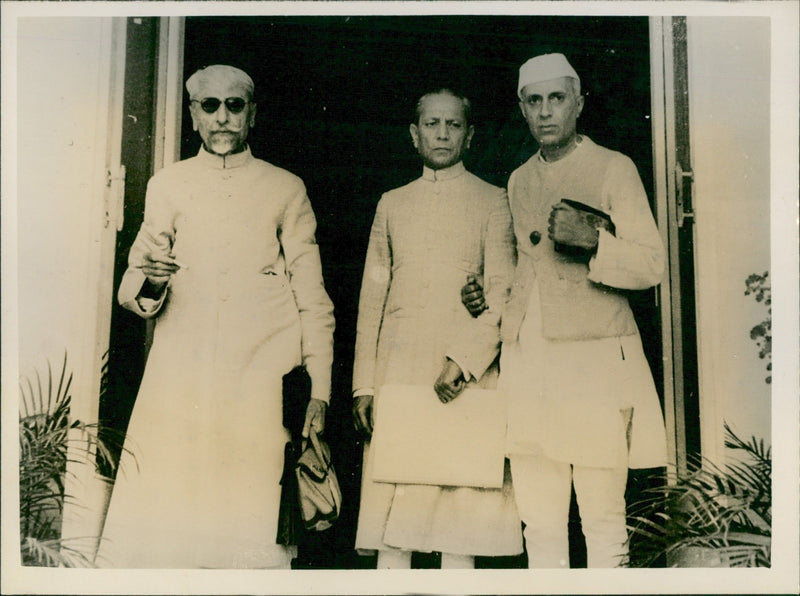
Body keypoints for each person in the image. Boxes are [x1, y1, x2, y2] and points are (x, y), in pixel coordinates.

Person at [96, 65, 335, 569]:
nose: (222, 117)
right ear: (192, 115)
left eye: (235, 106)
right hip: (183, 378)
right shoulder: (169, 185)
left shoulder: (285, 189)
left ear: (252, 115)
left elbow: (314, 299)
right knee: (174, 518)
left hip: (260, 382)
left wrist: (319, 391)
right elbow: (130, 287)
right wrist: (154, 279)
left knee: (248, 523)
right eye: (210, 106)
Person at [462, 53, 667, 568]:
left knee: (601, 513)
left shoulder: (613, 167)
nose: (546, 111)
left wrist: (595, 242)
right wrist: (487, 295)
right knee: (541, 517)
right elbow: (517, 272)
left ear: (579, 103)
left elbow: (652, 265)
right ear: (522, 109)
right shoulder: (517, 179)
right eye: (535, 101)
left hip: (594, 361)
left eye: (557, 98)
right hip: (529, 362)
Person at [351, 89, 523, 569]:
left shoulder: (494, 201)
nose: (442, 133)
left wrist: (464, 361)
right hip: (399, 374)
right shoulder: (392, 203)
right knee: (394, 529)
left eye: (453, 124)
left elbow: (503, 295)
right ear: (414, 134)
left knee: (457, 529)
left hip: (460, 379)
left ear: (469, 136)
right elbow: (372, 301)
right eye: (431, 124)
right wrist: (364, 384)